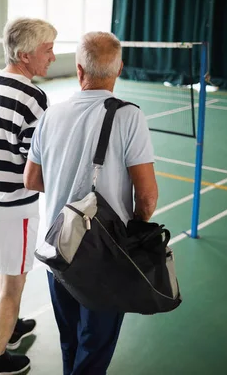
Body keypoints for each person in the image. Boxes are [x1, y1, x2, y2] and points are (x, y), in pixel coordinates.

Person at [24, 31, 159, 375]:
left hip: (58, 249)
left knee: (69, 337)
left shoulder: (51, 116)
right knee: (95, 346)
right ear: (119, 69)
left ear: (79, 69)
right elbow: (146, 195)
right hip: (105, 255)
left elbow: (31, 180)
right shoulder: (129, 117)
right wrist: (139, 232)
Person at [0, 17, 57, 375]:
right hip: (11, 205)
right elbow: (33, 165)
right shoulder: (33, 98)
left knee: (5, 269)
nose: (52, 57)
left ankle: (11, 324)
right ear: (24, 55)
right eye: (47, 50)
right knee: (13, 283)